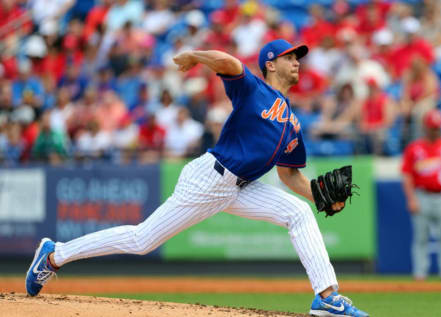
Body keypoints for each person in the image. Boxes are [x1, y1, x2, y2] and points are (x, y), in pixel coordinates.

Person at [25, 39, 369, 317]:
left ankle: (327, 299)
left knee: (300, 213)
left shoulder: (292, 122)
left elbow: (290, 175)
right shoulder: (254, 91)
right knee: (142, 240)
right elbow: (228, 62)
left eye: (299, 58)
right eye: (289, 56)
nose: (297, 62)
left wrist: (321, 196)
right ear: (270, 63)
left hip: (241, 188)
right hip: (210, 179)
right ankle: (56, 254)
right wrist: (195, 56)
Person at [401, 109, 441, 282]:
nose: (435, 131)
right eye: (432, 127)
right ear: (425, 127)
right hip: (422, 195)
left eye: (438, 128)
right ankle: (420, 275)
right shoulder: (415, 148)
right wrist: (411, 198)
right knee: (421, 238)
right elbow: (406, 175)